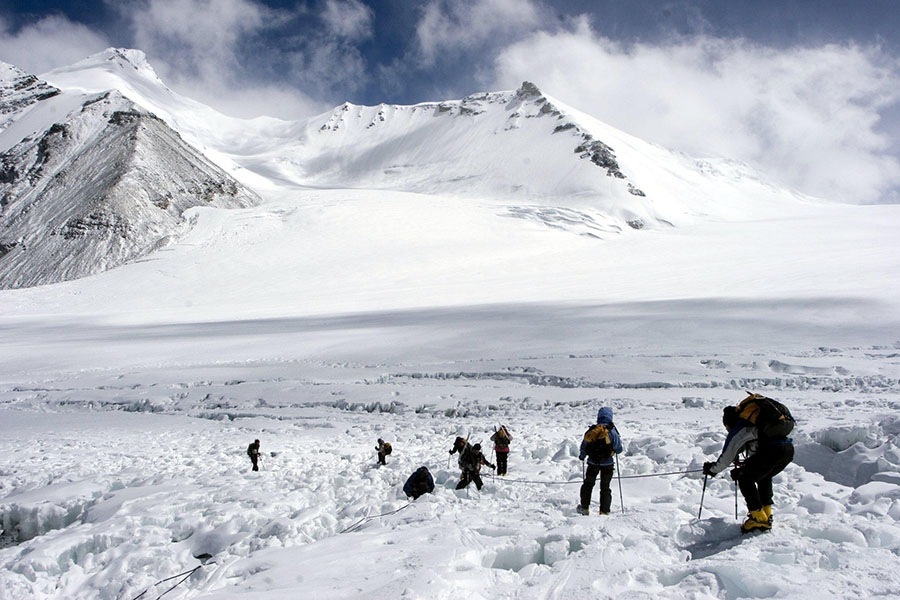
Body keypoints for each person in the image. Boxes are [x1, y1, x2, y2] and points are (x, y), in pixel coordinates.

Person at [703, 400, 794, 533]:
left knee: (745, 478)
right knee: (764, 476)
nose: (727, 429)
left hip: (772, 452)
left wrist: (712, 469)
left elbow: (727, 456)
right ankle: (766, 514)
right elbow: (758, 453)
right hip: (787, 451)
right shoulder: (755, 424)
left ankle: (758, 518)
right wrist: (744, 467)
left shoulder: (740, 429)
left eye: (726, 426)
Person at [578, 407, 623, 515]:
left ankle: (584, 508)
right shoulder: (612, 431)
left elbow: (584, 445)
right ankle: (604, 510)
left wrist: (582, 456)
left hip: (592, 463)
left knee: (588, 484)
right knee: (605, 487)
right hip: (607, 464)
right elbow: (619, 449)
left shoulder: (592, 430)